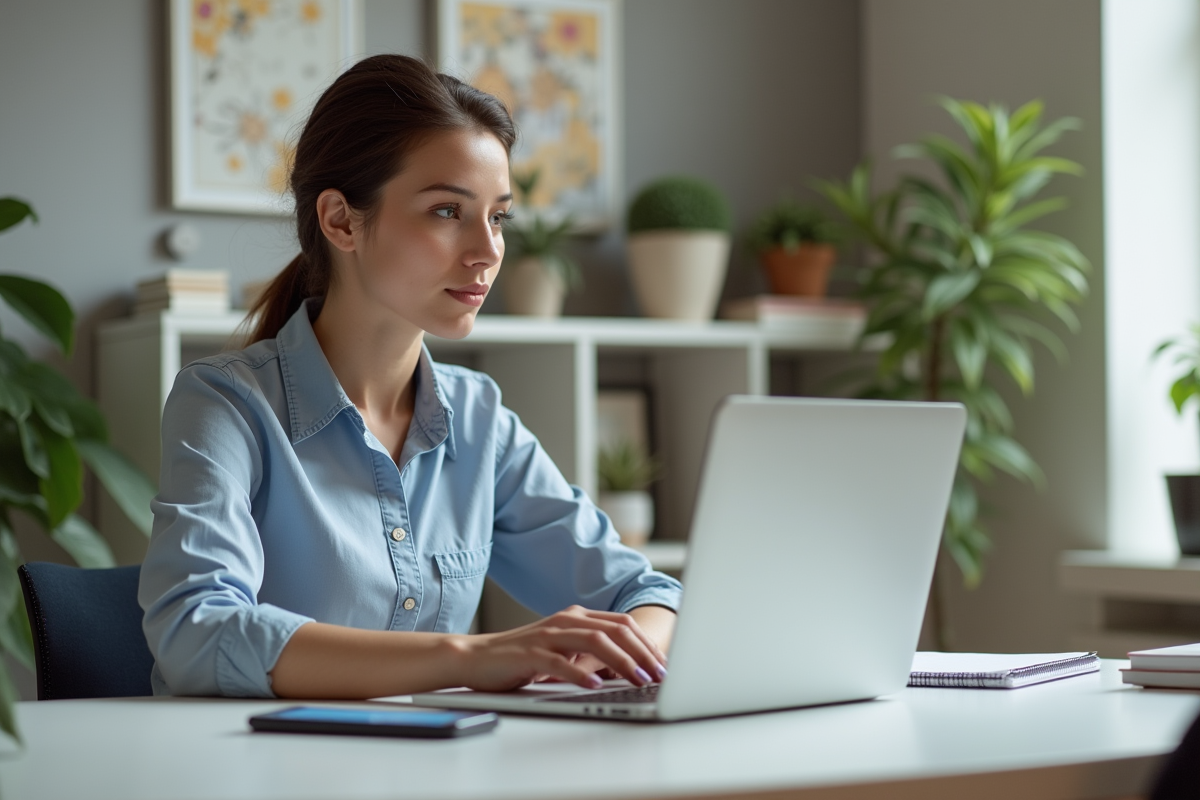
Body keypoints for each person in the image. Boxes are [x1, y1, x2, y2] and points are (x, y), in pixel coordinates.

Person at [138, 54, 682, 700]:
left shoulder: (480, 421)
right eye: (448, 212)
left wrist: (614, 655)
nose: (486, 252)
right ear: (341, 220)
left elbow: (647, 594)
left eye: (499, 216)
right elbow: (198, 631)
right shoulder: (226, 404)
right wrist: (468, 658)